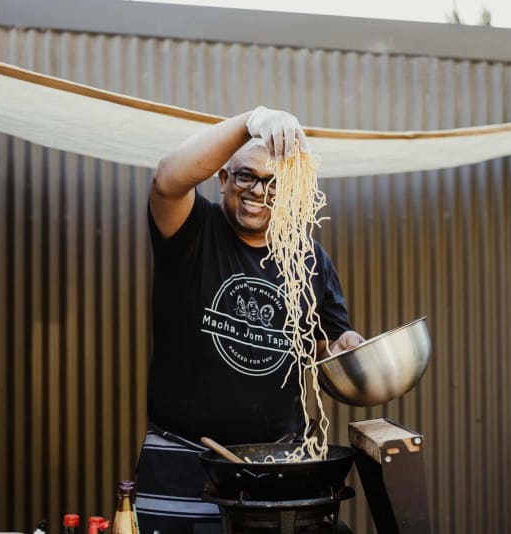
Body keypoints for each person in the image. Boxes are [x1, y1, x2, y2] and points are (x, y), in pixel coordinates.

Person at [135, 106, 364, 533]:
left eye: (275, 183)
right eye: (246, 176)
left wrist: (344, 346)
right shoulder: (194, 230)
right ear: (223, 179)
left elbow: (323, 346)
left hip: (275, 467)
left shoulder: (309, 258)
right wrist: (250, 122)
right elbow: (166, 179)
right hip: (182, 460)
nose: (260, 191)